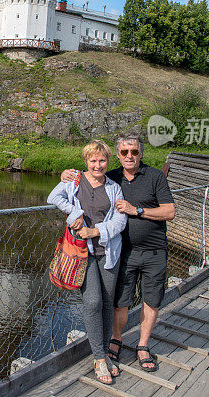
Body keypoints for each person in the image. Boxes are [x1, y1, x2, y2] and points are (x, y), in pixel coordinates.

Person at [61, 130, 175, 372]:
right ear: (119, 156)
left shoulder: (155, 177)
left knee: (151, 300)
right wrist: (66, 176)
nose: (130, 156)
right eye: (124, 152)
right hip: (123, 252)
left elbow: (169, 212)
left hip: (154, 250)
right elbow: (88, 175)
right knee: (119, 302)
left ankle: (143, 346)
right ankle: (115, 340)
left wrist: (138, 210)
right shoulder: (111, 177)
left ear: (141, 153)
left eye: (134, 151)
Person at [47, 140, 128, 385]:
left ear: (107, 162)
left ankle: (102, 354)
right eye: (93, 160)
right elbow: (53, 196)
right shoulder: (73, 180)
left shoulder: (114, 187)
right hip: (82, 253)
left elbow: (120, 222)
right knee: (92, 302)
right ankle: (99, 358)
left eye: (102, 160)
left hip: (108, 252)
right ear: (86, 162)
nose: (98, 165)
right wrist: (74, 213)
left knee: (106, 304)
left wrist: (97, 232)